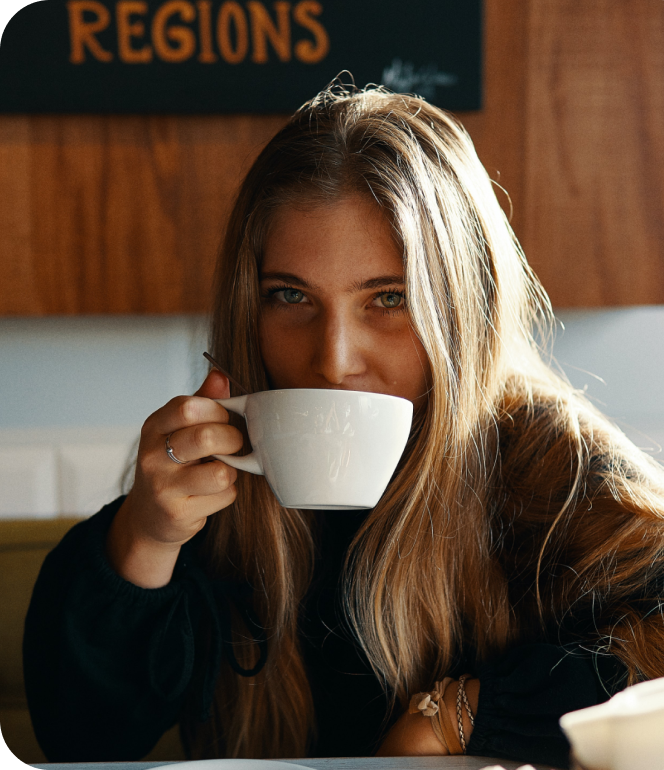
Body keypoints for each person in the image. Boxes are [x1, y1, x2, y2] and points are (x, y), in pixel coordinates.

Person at [23, 84, 664, 769]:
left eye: (389, 298)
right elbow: (78, 744)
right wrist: (144, 543)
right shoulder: (211, 504)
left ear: (463, 312)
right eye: (291, 296)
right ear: (250, 309)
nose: (332, 359)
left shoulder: (555, 472)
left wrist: (455, 717)